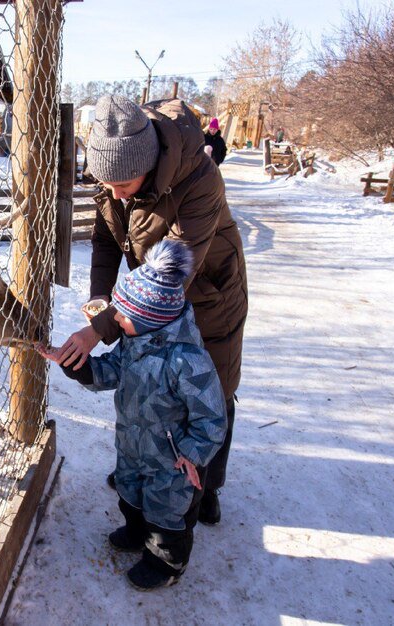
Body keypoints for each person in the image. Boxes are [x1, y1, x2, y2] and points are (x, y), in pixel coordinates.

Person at [51, 94, 247, 526]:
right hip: (145, 296)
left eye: (123, 184)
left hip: (206, 291)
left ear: (150, 162)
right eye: (107, 185)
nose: (114, 194)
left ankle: (207, 484)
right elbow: (106, 241)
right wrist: (101, 303)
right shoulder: (114, 182)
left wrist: (100, 330)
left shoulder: (199, 179)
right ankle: (147, 468)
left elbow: (171, 271)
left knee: (211, 385)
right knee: (152, 380)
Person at [40, 240, 226, 590]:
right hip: (132, 443)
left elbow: (212, 418)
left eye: (123, 315)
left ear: (150, 317)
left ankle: (165, 563)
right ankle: (137, 530)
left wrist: (192, 454)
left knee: (166, 510)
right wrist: (78, 367)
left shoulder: (188, 361)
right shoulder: (134, 340)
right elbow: (111, 370)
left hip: (172, 461)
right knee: (130, 490)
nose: (116, 319)